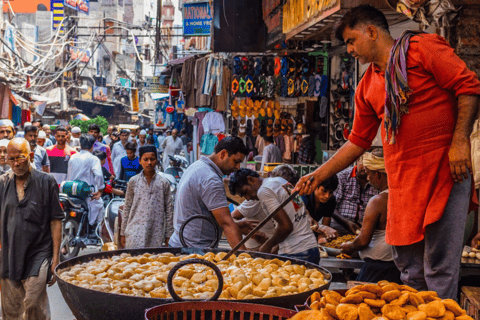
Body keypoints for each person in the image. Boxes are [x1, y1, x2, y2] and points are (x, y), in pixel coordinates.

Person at [296, 5, 480, 299]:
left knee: (440, 265)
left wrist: (459, 142)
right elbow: (357, 141)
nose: (350, 49)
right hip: (405, 183)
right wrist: (318, 175)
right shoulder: (366, 85)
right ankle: (419, 314)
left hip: (446, 171)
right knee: (409, 266)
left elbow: (468, 87)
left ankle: (442, 314)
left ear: (371, 32)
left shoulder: (422, 48)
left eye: (351, 41)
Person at [0, 138, 63, 319]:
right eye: (11, 159)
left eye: (20, 157)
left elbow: (55, 220)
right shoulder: (2, 183)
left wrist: (56, 257)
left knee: (33, 302)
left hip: (39, 252)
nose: (16, 163)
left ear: (31, 156)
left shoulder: (47, 182)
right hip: (9, 253)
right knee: (11, 309)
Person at [169, 137, 249, 249]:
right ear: (223, 154)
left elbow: (207, 213)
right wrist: (244, 259)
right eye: (236, 161)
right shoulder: (210, 179)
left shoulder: (198, 166)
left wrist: (237, 225)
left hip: (182, 243)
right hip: (194, 250)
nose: (237, 167)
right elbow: (226, 223)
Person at [229, 168, 319, 264]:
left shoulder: (263, 191)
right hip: (312, 248)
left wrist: (267, 245)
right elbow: (298, 212)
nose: (247, 198)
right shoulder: (281, 181)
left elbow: (286, 227)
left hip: (296, 252)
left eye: (245, 192)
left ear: (251, 179)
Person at [340, 150, 401, 284]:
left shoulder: (377, 201)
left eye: (368, 174)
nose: (367, 178)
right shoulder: (402, 195)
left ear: (378, 175)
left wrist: (349, 247)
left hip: (377, 269)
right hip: (398, 267)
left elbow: (362, 241)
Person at [231, 164, 299, 252]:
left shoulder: (288, 194)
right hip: (258, 250)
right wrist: (240, 225)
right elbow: (231, 218)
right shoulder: (256, 199)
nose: (286, 192)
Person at [120, 145, 174, 249]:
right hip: (135, 232)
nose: (149, 162)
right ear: (140, 161)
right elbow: (127, 207)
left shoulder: (164, 183)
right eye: (146, 159)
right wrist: (123, 233)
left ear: (157, 161)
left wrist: (169, 235)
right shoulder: (133, 181)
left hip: (156, 233)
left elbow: (169, 211)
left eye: (152, 159)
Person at [66, 134, 105, 235]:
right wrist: (100, 190)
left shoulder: (73, 157)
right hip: (86, 194)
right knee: (100, 204)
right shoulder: (93, 159)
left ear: (80, 144)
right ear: (92, 146)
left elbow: (69, 175)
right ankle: (95, 231)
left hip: (71, 192)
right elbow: (99, 176)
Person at [330, 158, 378, 236]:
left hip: (364, 227)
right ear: (358, 160)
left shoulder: (376, 180)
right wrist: (347, 222)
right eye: (363, 163)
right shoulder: (343, 176)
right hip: (340, 224)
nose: (364, 167)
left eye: (368, 164)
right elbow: (331, 207)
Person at [302, 174, 339, 243]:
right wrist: (323, 228)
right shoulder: (304, 195)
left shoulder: (331, 200)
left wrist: (322, 237)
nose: (327, 196)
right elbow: (304, 217)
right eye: (324, 191)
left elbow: (326, 223)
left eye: (330, 192)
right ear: (315, 187)